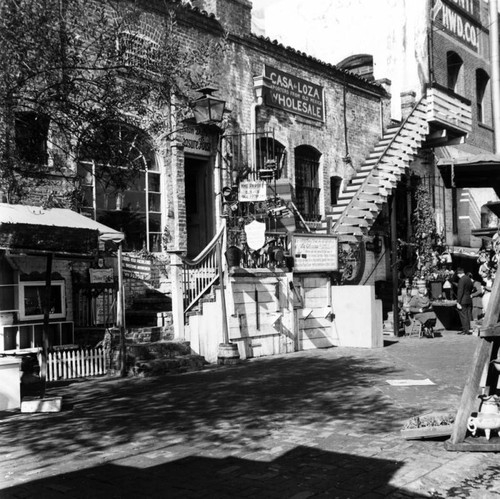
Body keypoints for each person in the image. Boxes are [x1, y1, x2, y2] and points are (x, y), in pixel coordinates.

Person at [456, 267, 473, 335]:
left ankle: (466, 330)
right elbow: (471, 287)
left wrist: (458, 302)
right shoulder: (468, 279)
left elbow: (460, 291)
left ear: (459, 273)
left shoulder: (461, 280)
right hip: (468, 299)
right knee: (469, 314)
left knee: (463, 315)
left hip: (463, 300)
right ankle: (470, 328)